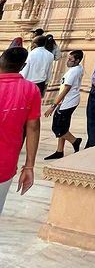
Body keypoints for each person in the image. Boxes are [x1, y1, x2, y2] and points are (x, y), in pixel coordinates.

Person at [0, 47, 41, 215]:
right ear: (23, 66)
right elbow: (33, 128)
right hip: (5, 165)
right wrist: (29, 166)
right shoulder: (31, 90)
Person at [43, 50, 84, 159]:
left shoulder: (73, 72)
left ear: (77, 60)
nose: (68, 61)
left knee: (58, 128)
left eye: (71, 59)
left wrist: (53, 106)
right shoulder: (79, 68)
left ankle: (75, 141)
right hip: (71, 101)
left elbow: (66, 89)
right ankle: (59, 151)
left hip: (67, 102)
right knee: (63, 126)